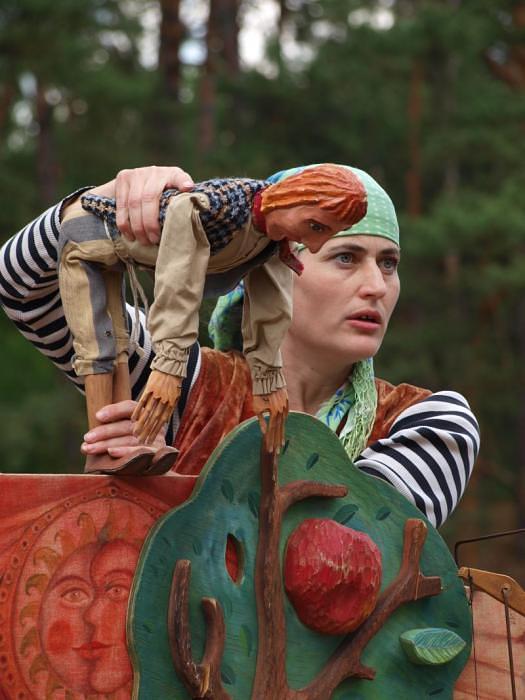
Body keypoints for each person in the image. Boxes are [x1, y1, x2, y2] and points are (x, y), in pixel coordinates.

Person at [0, 165, 479, 528]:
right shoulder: (187, 383)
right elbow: (23, 289)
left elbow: (343, 544)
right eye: (345, 257)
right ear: (278, 259)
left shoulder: (432, 422)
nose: (376, 286)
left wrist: (158, 492)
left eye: (388, 263)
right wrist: (106, 202)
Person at [59, 165, 366, 473]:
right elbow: (179, 280)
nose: (313, 245)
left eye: (328, 234)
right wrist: (169, 366)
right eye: (315, 227)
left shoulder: (271, 240)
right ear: (293, 198)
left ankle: (122, 448)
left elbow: (270, 305)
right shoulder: (222, 207)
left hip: (119, 256)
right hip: (86, 241)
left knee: (119, 342)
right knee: (99, 345)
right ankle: (100, 451)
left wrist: (268, 381)